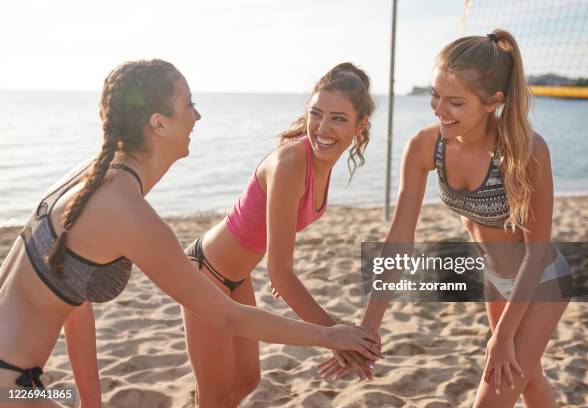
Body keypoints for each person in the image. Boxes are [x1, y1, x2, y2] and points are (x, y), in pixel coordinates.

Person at [0, 59, 381, 408]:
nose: (198, 116)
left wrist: (90, 402)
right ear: (158, 123)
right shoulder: (125, 210)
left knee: (243, 381)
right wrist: (331, 336)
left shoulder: (96, 179)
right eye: (189, 104)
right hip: (12, 385)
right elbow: (229, 317)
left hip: (28, 383)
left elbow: (73, 295)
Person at [319, 30, 571, 408]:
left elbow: (535, 254)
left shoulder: (527, 151)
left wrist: (502, 337)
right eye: (435, 96)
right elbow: (400, 238)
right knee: (529, 383)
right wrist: (370, 324)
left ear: (493, 102)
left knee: (494, 394)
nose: (439, 109)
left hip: (541, 281)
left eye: (455, 102)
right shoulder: (425, 146)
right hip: (495, 281)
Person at [177, 62, 378, 407]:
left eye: (338, 118)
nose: (323, 128)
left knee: (246, 379)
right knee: (212, 396)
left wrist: (277, 263)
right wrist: (336, 336)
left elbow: (277, 245)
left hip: (235, 277)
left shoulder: (321, 163)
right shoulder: (290, 164)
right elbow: (281, 273)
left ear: (360, 126)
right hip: (204, 274)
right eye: (317, 114)